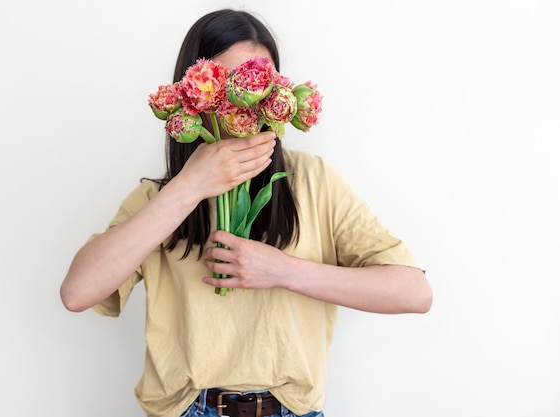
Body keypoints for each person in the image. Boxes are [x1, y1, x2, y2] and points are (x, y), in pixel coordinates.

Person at [60, 8, 433, 417]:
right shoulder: (158, 199)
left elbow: (413, 291)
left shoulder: (313, 180)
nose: (248, 101)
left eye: (261, 84)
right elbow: (77, 293)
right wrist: (190, 186)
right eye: (229, 84)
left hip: (293, 409)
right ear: (193, 92)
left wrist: (283, 271)